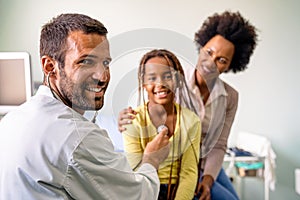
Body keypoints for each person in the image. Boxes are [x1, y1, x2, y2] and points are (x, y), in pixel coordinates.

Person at [0, 13, 170, 199]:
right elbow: (138, 196)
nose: (102, 76)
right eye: (86, 62)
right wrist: (151, 160)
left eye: (105, 63)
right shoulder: (77, 137)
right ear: (50, 66)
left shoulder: (11, 121)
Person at [118, 11, 258, 200]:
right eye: (209, 52)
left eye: (222, 60)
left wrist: (207, 181)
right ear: (201, 46)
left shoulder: (230, 97)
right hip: (175, 164)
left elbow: (219, 145)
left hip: (205, 165)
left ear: (230, 65)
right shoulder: (174, 79)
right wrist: (124, 118)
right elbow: (148, 106)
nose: (211, 62)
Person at [122, 49, 201, 200]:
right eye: (152, 78)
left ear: (178, 80)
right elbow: (135, 171)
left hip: (179, 191)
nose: (160, 84)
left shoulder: (191, 121)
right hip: (145, 189)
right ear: (143, 84)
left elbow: (189, 173)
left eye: (168, 76)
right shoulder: (133, 120)